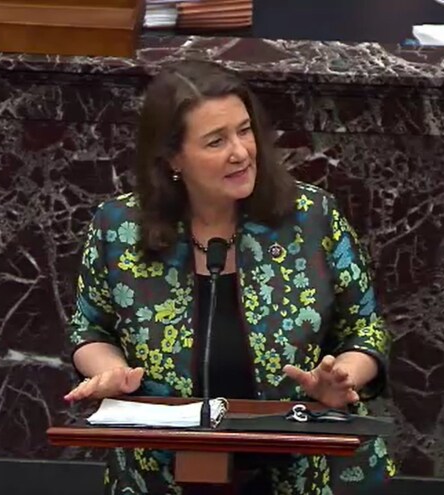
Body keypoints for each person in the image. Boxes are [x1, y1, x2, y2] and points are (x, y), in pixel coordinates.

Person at [64, 59, 395, 494]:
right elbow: (91, 328)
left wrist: (341, 380)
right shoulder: (118, 227)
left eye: (245, 130)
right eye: (216, 141)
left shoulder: (312, 217)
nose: (240, 152)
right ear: (172, 159)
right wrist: (110, 372)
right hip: (159, 472)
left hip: (305, 472)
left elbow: (364, 327)